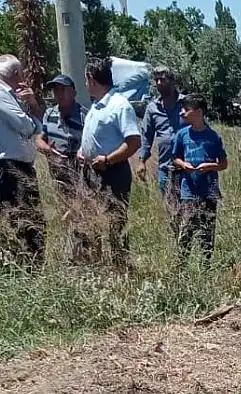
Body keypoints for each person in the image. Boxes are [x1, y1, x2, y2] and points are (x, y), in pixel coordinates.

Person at [0, 54, 46, 271]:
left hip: (19, 166)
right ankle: (14, 269)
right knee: (15, 220)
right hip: (6, 168)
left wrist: (31, 104)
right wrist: (34, 123)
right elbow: (25, 126)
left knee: (31, 220)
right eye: (22, 72)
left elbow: (32, 122)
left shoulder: (9, 94)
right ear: (17, 74)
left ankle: (31, 269)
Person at [77, 56, 141, 269]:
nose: (85, 85)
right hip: (92, 172)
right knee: (91, 220)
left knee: (115, 223)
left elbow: (133, 142)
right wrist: (82, 151)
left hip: (113, 173)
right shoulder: (96, 106)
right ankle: (96, 266)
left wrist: (108, 159)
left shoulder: (119, 106)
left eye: (86, 80)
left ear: (92, 80)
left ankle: (120, 268)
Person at [35, 74, 91, 263]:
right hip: (58, 177)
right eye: (56, 90)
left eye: (63, 89)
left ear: (73, 92)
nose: (59, 93)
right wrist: (45, 148)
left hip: (81, 177)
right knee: (66, 216)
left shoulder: (85, 115)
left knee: (80, 215)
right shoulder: (49, 114)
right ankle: (74, 257)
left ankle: (80, 257)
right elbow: (39, 138)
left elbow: (91, 145)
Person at [170, 94, 228, 263]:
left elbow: (223, 163)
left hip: (209, 191)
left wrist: (210, 167)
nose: (182, 113)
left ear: (199, 112)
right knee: (187, 228)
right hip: (188, 190)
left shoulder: (213, 136)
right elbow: (175, 158)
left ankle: (206, 264)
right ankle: (182, 264)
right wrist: (183, 165)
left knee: (208, 229)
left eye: (186, 110)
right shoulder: (182, 135)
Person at [137, 66, 186, 214]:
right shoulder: (153, 108)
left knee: (190, 208)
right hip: (165, 168)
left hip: (187, 167)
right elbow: (146, 135)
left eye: (163, 79)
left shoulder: (186, 103)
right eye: (156, 80)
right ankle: (176, 236)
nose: (159, 83)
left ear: (172, 81)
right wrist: (141, 161)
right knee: (171, 209)